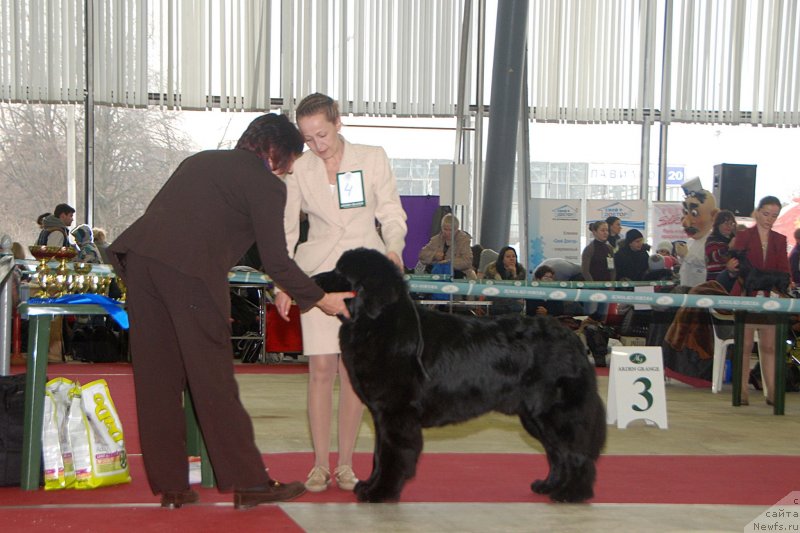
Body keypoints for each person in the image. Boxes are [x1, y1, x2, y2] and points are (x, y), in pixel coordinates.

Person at [107, 113, 354, 509]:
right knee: (213, 382)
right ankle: (249, 483)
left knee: (156, 380)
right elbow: (276, 262)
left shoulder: (200, 160)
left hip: (139, 262)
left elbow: (168, 219)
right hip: (189, 274)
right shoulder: (266, 185)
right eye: (291, 160)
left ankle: (172, 488)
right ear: (274, 151)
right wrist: (322, 299)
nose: (290, 170)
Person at [276, 93, 408, 493]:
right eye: (307, 138)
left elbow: (391, 211)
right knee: (320, 370)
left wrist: (394, 249)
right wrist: (283, 281)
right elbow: (287, 230)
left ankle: (346, 465)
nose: (316, 145)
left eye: (322, 134)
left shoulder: (372, 158)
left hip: (363, 277)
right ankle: (319, 464)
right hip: (317, 276)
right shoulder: (298, 169)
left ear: (338, 122)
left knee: (354, 374)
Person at [726, 196, 791, 406]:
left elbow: (784, 269)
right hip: (746, 298)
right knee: (744, 346)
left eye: (774, 216)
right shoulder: (744, 236)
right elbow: (734, 267)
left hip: (770, 301)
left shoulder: (780, 240)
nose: (769, 219)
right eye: (766, 214)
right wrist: (730, 268)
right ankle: (741, 392)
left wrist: (785, 284)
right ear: (757, 212)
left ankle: (772, 392)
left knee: (770, 347)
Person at [675, 189, 718, 288]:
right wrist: (681, 256)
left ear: (713, 216)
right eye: (686, 212)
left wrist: (686, 255)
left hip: (700, 288)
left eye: (694, 214)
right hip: (686, 286)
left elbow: (706, 262)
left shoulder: (713, 242)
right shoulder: (691, 241)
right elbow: (686, 263)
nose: (686, 222)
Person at [418, 213, 475, 279]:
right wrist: (434, 255)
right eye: (445, 229)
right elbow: (422, 255)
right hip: (437, 273)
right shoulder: (436, 239)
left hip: (458, 274)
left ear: (456, 229)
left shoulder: (463, 240)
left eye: (450, 230)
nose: (447, 233)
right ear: (441, 228)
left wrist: (449, 262)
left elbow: (467, 261)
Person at [581, 220, 615, 320]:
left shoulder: (609, 248)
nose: (605, 233)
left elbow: (612, 268)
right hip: (592, 288)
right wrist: (593, 286)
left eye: (607, 230)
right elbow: (585, 271)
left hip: (606, 287)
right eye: (602, 230)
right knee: (590, 317)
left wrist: (612, 284)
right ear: (594, 232)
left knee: (602, 317)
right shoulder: (589, 249)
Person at [483, 246, 526, 315]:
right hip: (495, 296)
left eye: (514, 256)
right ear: (502, 259)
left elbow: (518, 290)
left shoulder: (521, 270)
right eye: (508, 257)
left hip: (512, 298)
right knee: (512, 304)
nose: (512, 259)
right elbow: (491, 289)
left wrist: (514, 274)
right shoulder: (492, 270)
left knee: (515, 304)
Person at [705, 209, 736, 282]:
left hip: (732, 280)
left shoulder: (733, 239)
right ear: (718, 224)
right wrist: (728, 247)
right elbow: (714, 256)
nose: (729, 226)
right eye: (726, 223)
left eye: (731, 224)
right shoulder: (712, 240)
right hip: (715, 281)